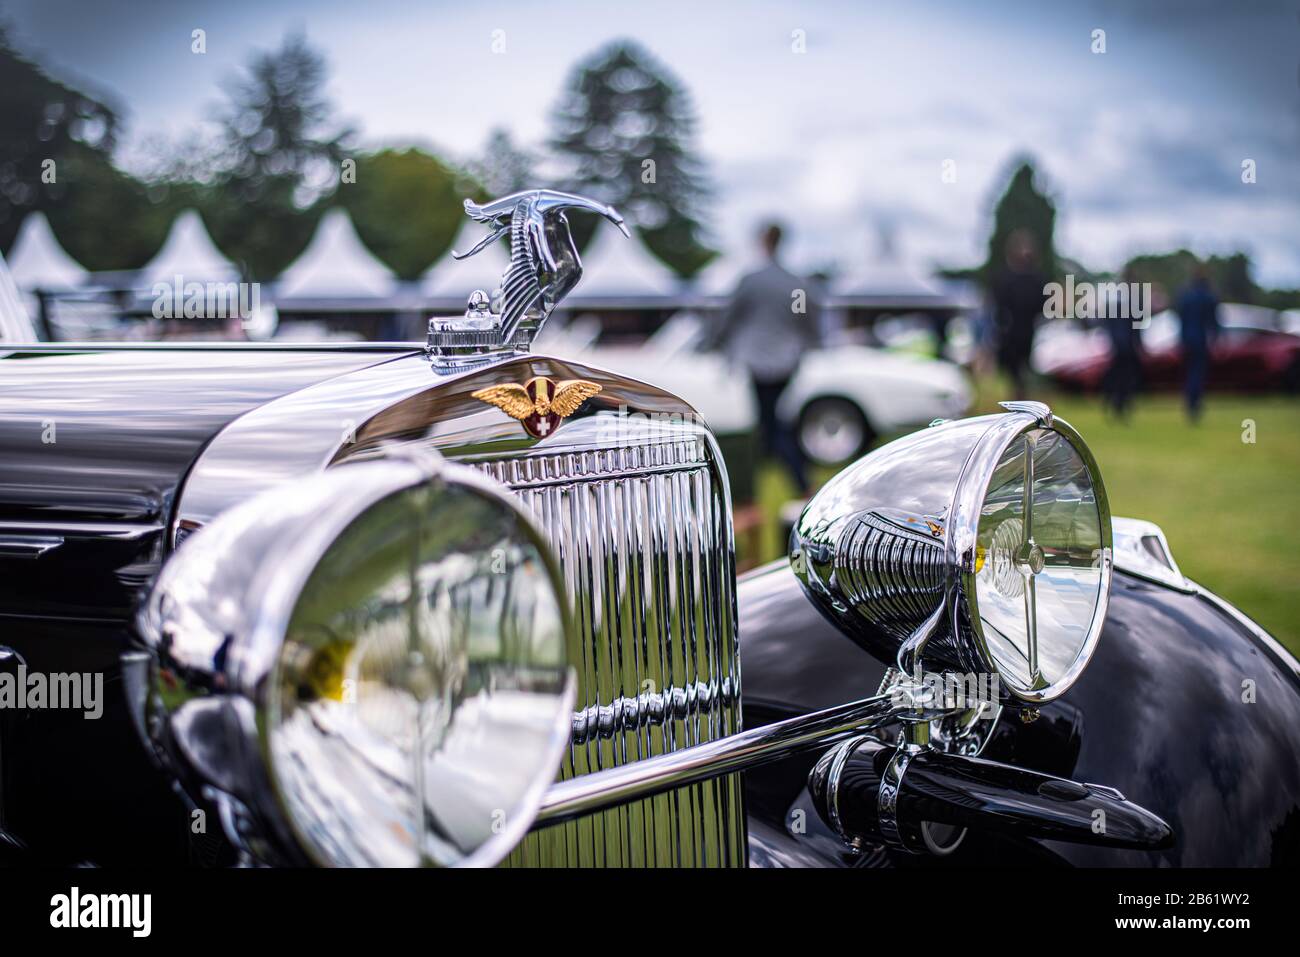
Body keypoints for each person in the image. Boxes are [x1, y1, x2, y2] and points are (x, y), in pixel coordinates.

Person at [709, 222, 820, 493]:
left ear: (763, 242)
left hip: (758, 361)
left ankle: (786, 478)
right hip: (788, 360)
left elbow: (729, 317)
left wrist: (714, 344)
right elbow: (808, 321)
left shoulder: (752, 281)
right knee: (775, 418)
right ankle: (778, 473)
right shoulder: (795, 283)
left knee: (770, 421)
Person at [990, 229, 1047, 399]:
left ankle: (1022, 395)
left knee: (1024, 368)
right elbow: (999, 306)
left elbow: (1041, 304)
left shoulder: (1036, 278)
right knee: (1013, 370)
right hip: (1010, 333)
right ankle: (1017, 395)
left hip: (1027, 331)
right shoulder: (1005, 277)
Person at [1174, 262, 1220, 421]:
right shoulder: (1208, 295)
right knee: (1197, 373)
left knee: (1190, 373)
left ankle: (1190, 402)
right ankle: (1194, 404)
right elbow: (1213, 321)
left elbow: (1180, 318)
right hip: (1200, 340)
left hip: (1186, 339)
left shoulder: (1185, 295)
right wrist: (1216, 339)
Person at [1102, 267, 1144, 419]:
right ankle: (1122, 403)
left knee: (1117, 376)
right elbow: (1136, 326)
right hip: (1127, 345)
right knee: (1126, 377)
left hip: (1117, 344)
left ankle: (1113, 401)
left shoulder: (1114, 299)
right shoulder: (1132, 300)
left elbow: (1108, 324)